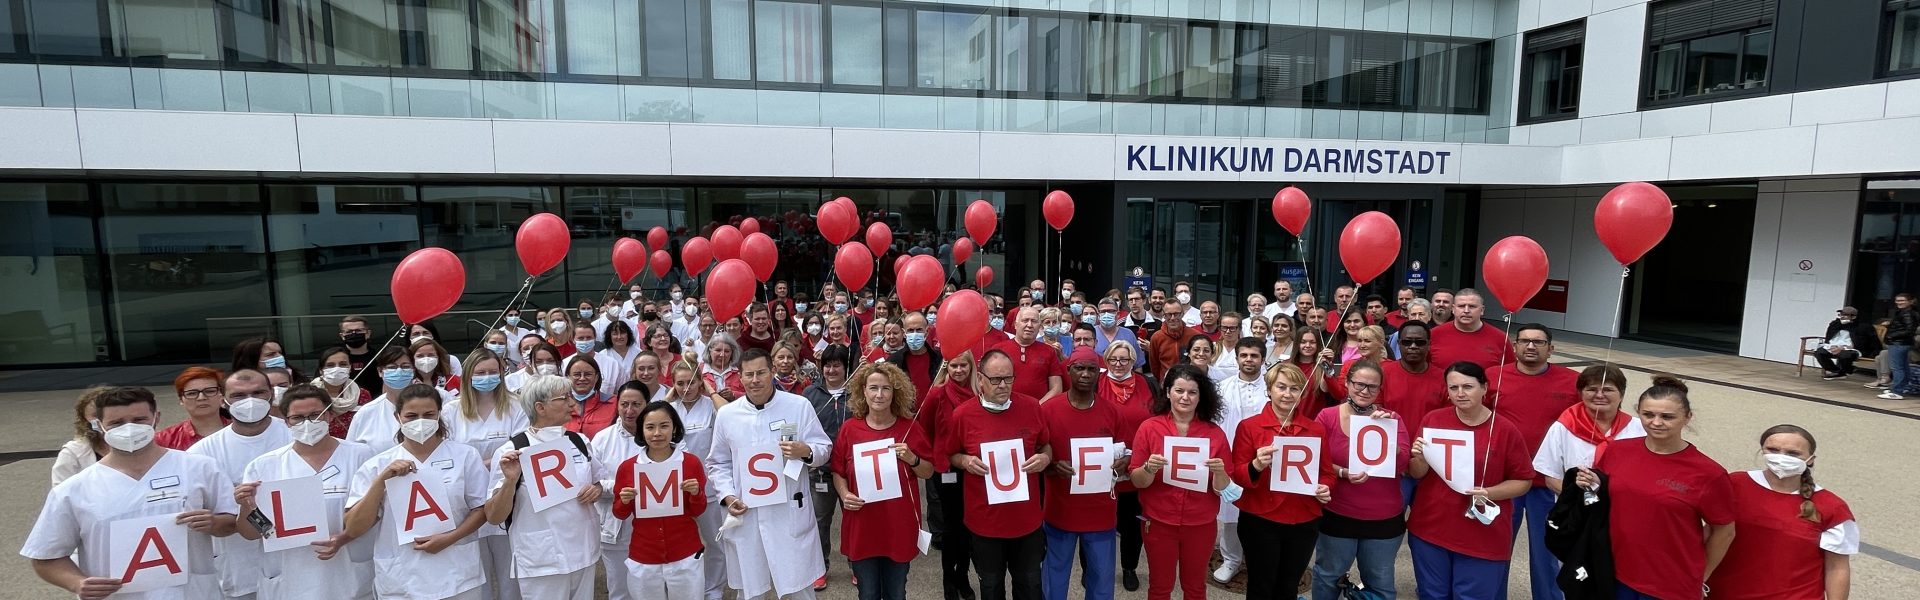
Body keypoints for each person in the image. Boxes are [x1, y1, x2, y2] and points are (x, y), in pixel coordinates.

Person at [22, 386, 240, 600]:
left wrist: (214, 523)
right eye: (116, 423)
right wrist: (76, 582)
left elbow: (233, 522)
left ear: (156, 418)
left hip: (193, 593)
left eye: (139, 420)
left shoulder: (200, 468)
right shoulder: (74, 489)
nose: (129, 429)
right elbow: (46, 556)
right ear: (99, 425)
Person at [1574, 376, 1736, 600]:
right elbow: (1601, 497)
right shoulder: (1617, 451)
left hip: (1670, 583)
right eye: (1648, 414)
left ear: (1688, 417)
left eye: (1667, 417)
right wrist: (1587, 485)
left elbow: (1724, 531)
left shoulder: (1709, 473)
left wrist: (1701, 577)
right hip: (1614, 572)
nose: (1656, 422)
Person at [343, 383, 491, 600]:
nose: (420, 422)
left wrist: (450, 538)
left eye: (428, 414)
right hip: (402, 576)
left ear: (439, 415)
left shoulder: (465, 456)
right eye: (411, 416)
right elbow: (354, 526)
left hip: (456, 573)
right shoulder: (377, 465)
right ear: (398, 417)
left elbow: (482, 509)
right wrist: (380, 483)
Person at [708, 348, 834, 600]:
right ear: (740, 377)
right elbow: (717, 463)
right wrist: (728, 496)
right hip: (747, 512)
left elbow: (824, 449)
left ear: (772, 372)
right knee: (751, 588)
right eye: (749, 374)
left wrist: (805, 450)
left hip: (788, 511)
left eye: (761, 373)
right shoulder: (727, 415)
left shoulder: (798, 406)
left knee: (799, 586)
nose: (755, 380)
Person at [1405, 361, 1537, 599]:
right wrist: (1420, 458)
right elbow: (1416, 473)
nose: (1460, 393)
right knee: (1432, 594)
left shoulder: (1505, 429)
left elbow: (1523, 480)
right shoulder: (1433, 420)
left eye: (1468, 386)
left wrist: (1488, 492)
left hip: (1482, 534)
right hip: (1430, 528)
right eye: (1453, 387)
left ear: (1485, 388)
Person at [233, 384, 375, 600]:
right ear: (286, 420)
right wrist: (246, 506)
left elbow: (376, 512)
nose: (307, 423)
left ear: (328, 415)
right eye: (298, 418)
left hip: (348, 570)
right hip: (289, 575)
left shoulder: (361, 455)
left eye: (315, 415)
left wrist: (344, 538)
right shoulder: (264, 466)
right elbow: (252, 533)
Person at [938, 349, 1051, 600]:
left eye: (1008, 379)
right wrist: (965, 460)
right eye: (995, 379)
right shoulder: (963, 415)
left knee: (1030, 585)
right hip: (985, 524)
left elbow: (1046, 445)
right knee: (990, 587)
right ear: (980, 379)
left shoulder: (1032, 407)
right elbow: (952, 454)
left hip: (1027, 521)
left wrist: (1045, 458)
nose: (1003, 385)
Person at [480, 374, 604, 600]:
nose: (572, 403)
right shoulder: (513, 450)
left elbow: (600, 481)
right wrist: (510, 481)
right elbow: (494, 515)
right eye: (564, 398)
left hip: (583, 548)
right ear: (540, 407)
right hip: (541, 558)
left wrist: (597, 489)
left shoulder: (579, 441)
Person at [1483, 324, 1582, 599]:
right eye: (1524, 341)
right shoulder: (1494, 377)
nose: (1530, 346)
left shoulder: (1572, 381)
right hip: (1506, 480)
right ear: (1514, 346)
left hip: (1549, 483)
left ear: (1551, 348)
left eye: (1538, 342)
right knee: (1497, 547)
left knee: (1547, 550)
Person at [1705, 425, 1857, 600]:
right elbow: (1708, 534)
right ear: (1762, 451)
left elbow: (1837, 568)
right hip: (1722, 593)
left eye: (1793, 453)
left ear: (1810, 459)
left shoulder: (1832, 507)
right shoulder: (1734, 484)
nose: (1781, 457)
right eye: (1773, 450)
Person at [1230, 362, 1335, 600]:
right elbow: (1237, 474)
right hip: (1260, 518)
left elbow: (1327, 473)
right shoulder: (1249, 427)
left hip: (1304, 518)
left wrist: (1325, 488)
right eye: (1281, 387)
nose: (1288, 394)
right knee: (1260, 585)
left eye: (1295, 388)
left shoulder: (1315, 429)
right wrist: (1256, 465)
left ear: (1302, 393)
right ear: (1269, 389)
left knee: (1289, 586)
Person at [833, 362, 936, 600]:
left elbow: (928, 472)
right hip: (862, 525)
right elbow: (838, 471)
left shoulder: (909, 428)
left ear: (895, 392)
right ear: (863, 391)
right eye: (874, 388)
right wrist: (844, 493)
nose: (879, 394)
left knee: (896, 592)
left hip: (898, 525)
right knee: (867, 593)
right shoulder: (849, 429)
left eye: (886, 388)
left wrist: (912, 458)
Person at [1127, 364, 1230, 600]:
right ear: (1167, 392)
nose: (1185, 397)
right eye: (1179, 390)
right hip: (1159, 521)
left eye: (1192, 392)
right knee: (1160, 587)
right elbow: (1138, 481)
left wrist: (1221, 473)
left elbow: (1225, 489)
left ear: (1201, 396)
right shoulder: (1149, 428)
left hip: (1200, 524)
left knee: (1195, 588)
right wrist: (1148, 468)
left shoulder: (1214, 433)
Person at [188, 369, 292, 600]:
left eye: (258, 392)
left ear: (272, 395)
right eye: (238, 396)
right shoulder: (201, 454)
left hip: (298, 563)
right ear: (223, 399)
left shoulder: (296, 437)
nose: (250, 401)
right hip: (239, 569)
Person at [1311, 360, 1410, 600]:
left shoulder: (1391, 419)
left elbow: (1406, 464)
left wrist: (1387, 439)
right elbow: (1314, 460)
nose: (1365, 391)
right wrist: (1343, 473)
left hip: (1383, 519)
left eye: (1372, 387)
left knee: (1380, 582)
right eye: (1359, 384)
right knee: (1328, 576)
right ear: (1347, 383)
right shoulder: (1327, 416)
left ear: (1379, 390)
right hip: (1338, 513)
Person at [441, 349, 527, 600]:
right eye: (480, 373)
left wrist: (473, 463)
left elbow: (519, 447)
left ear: (502, 374)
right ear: (468, 375)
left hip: (505, 496)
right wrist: (485, 463)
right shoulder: (451, 410)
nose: (487, 377)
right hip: (466, 502)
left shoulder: (516, 406)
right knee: (476, 576)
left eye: (492, 372)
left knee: (509, 574)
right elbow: (447, 452)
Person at [1038, 348, 1123, 600]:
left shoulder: (1112, 411)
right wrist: (1053, 466)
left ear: (1099, 373)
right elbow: (1037, 453)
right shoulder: (1048, 410)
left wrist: (1123, 462)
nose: (1086, 374)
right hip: (1059, 510)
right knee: (1054, 575)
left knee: (1101, 577)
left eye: (1092, 369)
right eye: (1079, 368)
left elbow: (1125, 449)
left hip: (1100, 513)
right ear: (1068, 371)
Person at [611, 400, 709, 600]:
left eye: (664, 426)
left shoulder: (690, 463)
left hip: (685, 554)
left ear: (674, 428)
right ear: (641, 431)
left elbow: (698, 510)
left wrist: (696, 493)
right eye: (650, 427)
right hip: (644, 556)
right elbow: (619, 513)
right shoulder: (628, 468)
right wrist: (624, 500)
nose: (657, 433)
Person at [661, 361, 730, 600]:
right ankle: (679, 588)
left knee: (715, 542)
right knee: (675, 543)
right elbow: (648, 417)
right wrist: (669, 396)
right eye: (679, 383)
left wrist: (711, 390)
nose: (686, 388)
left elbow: (729, 414)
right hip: (672, 488)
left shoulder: (710, 406)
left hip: (707, 486)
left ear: (700, 381)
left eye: (691, 382)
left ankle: (713, 589)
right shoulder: (669, 409)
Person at [915, 350, 979, 600]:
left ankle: (963, 576)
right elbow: (925, 429)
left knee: (968, 529)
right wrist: (935, 458)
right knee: (952, 527)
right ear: (947, 368)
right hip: (946, 470)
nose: (959, 370)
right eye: (954, 366)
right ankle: (948, 581)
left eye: (964, 365)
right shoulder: (937, 395)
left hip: (973, 469)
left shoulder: (979, 393)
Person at [1209, 337, 1270, 583]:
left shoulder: (1272, 387)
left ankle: (1259, 559)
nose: (1248, 360)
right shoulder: (1222, 388)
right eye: (1244, 355)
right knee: (1230, 512)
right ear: (1236, 359)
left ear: (1263, 359)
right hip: (1231, 457)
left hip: (1264, 459)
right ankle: (1231, 559)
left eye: (1254, 356)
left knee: (1262, 512)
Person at [1092, 341, 1151, 591]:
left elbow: (1156, 421)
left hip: (1136, 464)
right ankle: (1093, 569)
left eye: (1124, 360)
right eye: (1113, 359)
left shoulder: (1148, 384)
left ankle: (1129, 567)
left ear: (1133, 361)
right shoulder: (1096, 382)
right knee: (1097, 524)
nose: (1118, 365)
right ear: (1106, 359)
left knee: (1131, 524)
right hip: (1104, 466)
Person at [1532, 366, 1643, 497]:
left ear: (1622, 395)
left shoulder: (1639, 429)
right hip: (1578, 511)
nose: (1600, 395)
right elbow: (1551, 478)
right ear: (1580, 393)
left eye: (1607, 390)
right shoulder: (1563, 428)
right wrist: (1582, 500)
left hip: (1624, 507)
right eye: (1591, 389)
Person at [592, 381, 654, 600]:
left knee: (651, 586)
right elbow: (594, 483)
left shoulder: (659, 436)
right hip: (614, 525)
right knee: (619, 588)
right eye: (624, 404)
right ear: (617, 405)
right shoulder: (602, 439)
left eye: (636, 404)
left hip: (653, 524)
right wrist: (620, 488)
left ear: (647, 404)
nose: (630, 411)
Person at [803, 344, 855, 591]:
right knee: (820, 521)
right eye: (827, 365)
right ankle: (819, 568)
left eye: (837, 365)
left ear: (846, 367)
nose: (832, 369)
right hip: (820, 471)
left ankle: (857, 566)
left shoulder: (858, 391)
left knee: (854, 520)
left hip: (853, 471)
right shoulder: (809, 395)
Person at [346, 347, 423, 456]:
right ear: (380, 371)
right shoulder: (366, 413)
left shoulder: (431, 406)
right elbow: (352, 455)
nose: (399, 371)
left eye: (405, 366)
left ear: (413, 371)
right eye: (392, 367)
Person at [1429, 289, 1514, 371]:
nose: (1466, 311)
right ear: (1453, 309)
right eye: (1461, 306)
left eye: (1472, 306)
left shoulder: (1500, 338)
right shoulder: (1434, 334)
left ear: (1482, 310)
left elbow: (1509, 372)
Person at [995, 307, 1066, 402]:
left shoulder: (1049, 351)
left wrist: (1037, 407)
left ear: (1040, 326)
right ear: (1015, 325)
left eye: (1034, 321)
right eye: (1025, 320)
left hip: (1039, 410)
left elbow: (1056, 388)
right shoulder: (998, 350)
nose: (1029, 325)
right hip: (1004, 409)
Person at [158, 366, 229, 450]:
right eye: (192, 393)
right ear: (181, 399)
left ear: (222, 395)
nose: (201, 398)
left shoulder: (243, 431)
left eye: (210, 391)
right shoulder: (164, 440)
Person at [52, 386, 109, 486]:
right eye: (96, 415)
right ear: (85, 419)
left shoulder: (141, 445)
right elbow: (61, 492)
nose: (103, 419)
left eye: (107, 413)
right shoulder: (73, 452)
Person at [313, 346, 372, 439]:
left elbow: (368, 426)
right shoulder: (309, 394)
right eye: (330, 365)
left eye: (343, 364)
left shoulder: (362, 395)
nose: (337, 369)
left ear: (350, 368)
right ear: (321, 370)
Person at [1813, 306, 1879, 380]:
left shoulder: (1862, 326)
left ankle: (1848, 369)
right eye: (1841, 315)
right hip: (1834, 346)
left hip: (1852, 349)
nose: (1842, 317)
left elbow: (1863, 342)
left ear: (1853, 317)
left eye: (1845, 315)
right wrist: (1832, 346)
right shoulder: (1836, 324)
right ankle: (1838, 371)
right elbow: (1829, 337)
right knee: (1819, 352)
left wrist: (1843, 348)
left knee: (1844, 354)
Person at [889, 312, 942, 400]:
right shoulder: (894, 361)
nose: (914, 334)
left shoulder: (939, 359)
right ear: (904, 333)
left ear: (927, 331)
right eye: (910, 330)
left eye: (919, 330)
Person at [563, 355, 617, 436]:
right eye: (577, 374)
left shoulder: (614, 403)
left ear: (596, 377)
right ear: (568, 377)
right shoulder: (559, 405)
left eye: (588, 374)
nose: (582, 378)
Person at [1148, 301, 1199, 382]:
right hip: (1167, 385)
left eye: (1176, 314)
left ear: (1182, 314)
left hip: (1191, 383)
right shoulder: (1156, 337)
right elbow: (1154, 366)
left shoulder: (1194, 336)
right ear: (1164, 315)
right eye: (1168, 314)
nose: (1172, 318)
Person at [1289, 329, 1332, 417]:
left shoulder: (1322, 366)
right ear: (1297, 343)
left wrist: (1326, 365)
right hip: (1289, 420)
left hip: (1314, 421)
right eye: (1303, 342)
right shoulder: (1286, 366)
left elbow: (1335, 393)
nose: (1308, 345)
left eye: (1312, 342)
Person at [1884, 293, 1918, 399]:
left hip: (1899, 343)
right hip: (1903, 343)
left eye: (1902, 300)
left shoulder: (1907, 313)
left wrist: (1891, 336)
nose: (1899, 302)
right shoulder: (1906, 313)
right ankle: (1902, 388)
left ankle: (1896, 391)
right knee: (1904, 367)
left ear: (1910, 301)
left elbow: (1909, 330)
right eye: (1897, 300)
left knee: (1897, 368)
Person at [599, 320, 645, 395]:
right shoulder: (603, 356)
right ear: (609, 336)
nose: (619, 337)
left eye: (622, 333)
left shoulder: (639, 353)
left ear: (628, 335)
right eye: (615, 334)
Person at [340, 316, 382, 392]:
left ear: (368, 333)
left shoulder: (380, 357)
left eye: (358, 331)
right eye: (349, 332)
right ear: (342, 336)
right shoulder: (334, 358)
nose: (354, 334)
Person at [702, 333, 746, 403]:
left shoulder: (741, 370)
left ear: (732, 352)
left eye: (727, 351)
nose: (722, 355)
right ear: (710, 350)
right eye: (718, 350)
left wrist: (734, 395)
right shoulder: (699, 370)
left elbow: (751, 395)